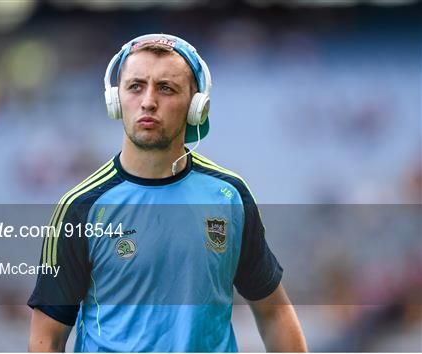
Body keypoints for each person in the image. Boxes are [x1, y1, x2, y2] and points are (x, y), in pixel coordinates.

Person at [27, 34, 307, 352]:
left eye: (166, 88)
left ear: (196, 106)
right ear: (116, 99)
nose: (148, 101)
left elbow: (273, 314)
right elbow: (46, 339)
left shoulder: (230, 196)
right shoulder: (80, 207)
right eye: (135, 86)